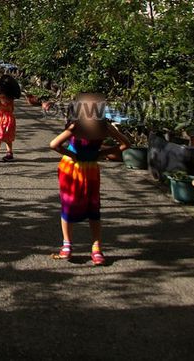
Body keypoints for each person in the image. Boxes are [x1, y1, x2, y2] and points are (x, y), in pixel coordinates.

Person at [49, 92, 130, 265]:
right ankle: (93, 247)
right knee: (88, 208)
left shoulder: (81, 126)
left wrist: (76, 154)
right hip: (83, 169)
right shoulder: (100, 127)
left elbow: (54, 145)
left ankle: (70, 245)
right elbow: (125, 144)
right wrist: (100, 154)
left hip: (75, 167)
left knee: (76, 207)